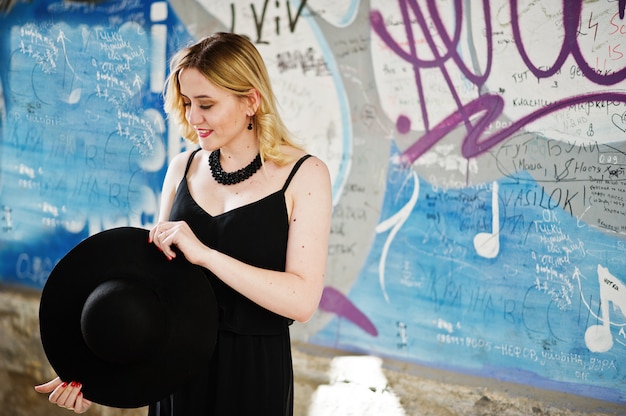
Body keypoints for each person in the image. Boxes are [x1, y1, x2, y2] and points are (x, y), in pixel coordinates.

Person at [35, 31, 332, 415]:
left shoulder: (305, 175)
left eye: (206, 104)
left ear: (251, 101)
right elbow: (153, 285)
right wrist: (94, 369)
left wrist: (206, 255)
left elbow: (302, 300)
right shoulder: (182, 168)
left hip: (254, 375)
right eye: (188, 102)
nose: (193, 117)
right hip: (172, 370)